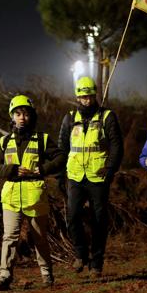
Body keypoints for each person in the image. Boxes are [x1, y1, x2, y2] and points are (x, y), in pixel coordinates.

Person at [0, 95, 66, 290]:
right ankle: (5, 276)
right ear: (12, 116)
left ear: (31, 116)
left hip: (35, 197)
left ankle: (47, 275)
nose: (22, 117)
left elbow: (60, 158)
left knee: (39, 237)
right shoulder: (4, 141)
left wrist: (42, 169)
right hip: (11, 197)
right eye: (18, 114)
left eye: (25, 114)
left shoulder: (42, 139)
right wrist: (12, 169)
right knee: (9, 237)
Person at [58, 76, 123, 277]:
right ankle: (80, 254)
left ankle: (96, 263)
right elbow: (62, 148)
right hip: (76, 176)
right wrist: (60, 175)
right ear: (77, 97)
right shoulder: (69, 118)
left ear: (95, 95)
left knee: (99, 220)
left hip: (98, 176)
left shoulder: (107, 117)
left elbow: (117, 146)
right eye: (82, 96)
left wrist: (110, 169)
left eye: (89, 96)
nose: (86, 100)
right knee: (73, 215)